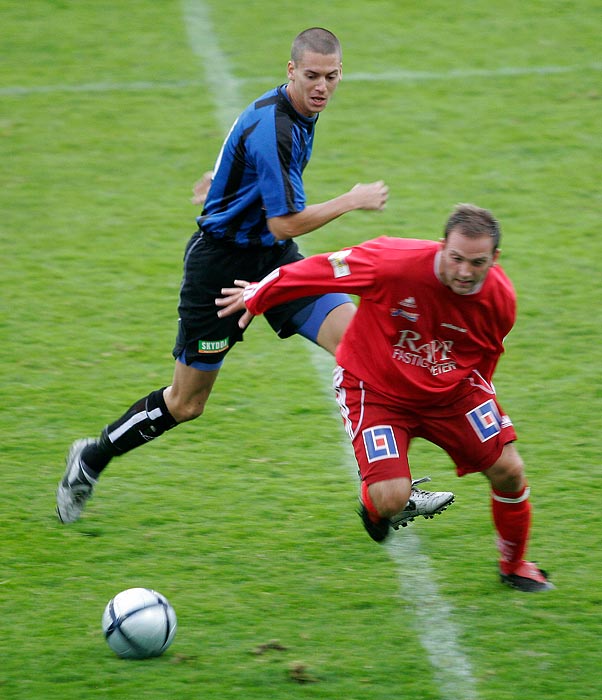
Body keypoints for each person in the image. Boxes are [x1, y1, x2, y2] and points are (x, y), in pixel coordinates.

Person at [57, 28, 449, 527]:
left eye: (331, 77)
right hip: (219, 270)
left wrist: (218, 178)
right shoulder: (279, 127)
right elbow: (283, 219)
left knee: (364, 348)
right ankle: (92, 458)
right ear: (290, 72)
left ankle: (389, 492)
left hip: (275, 261)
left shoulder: (293, 111)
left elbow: (244, 154)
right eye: (311, 76)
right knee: (187, 402)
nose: (322, 87)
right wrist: (352, 199)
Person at [217, 203, 554, 592]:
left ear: (494, 259)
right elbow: (322, 268)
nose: (464, 272)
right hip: (374, 388)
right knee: (390, 498)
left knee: (509, 470)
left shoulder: (501, 301)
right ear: (442, 246)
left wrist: (481, 410)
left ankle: (514, 566)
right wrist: (259, 294)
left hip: (452, 394)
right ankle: (377, 509)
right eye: (457, 258)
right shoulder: (393, 261)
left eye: (477, 262)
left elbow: (485, 359)